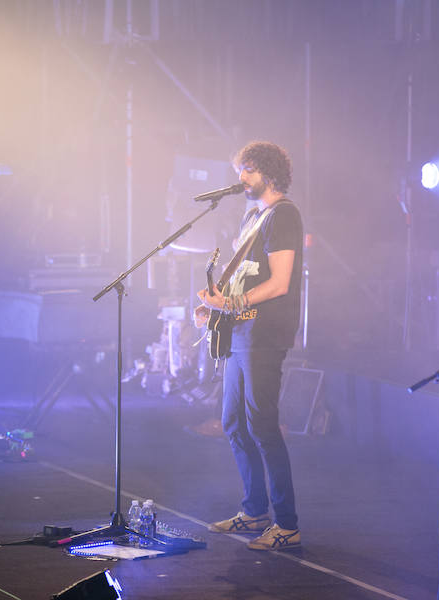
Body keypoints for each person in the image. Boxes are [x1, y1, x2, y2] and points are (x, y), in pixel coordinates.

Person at [194, 141, 303, 551]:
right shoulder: (252, 217)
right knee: (234, 423)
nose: (241, 178)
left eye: (248, 170)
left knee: (262, 426)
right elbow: (242, 276)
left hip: (265, 334)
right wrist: (212, 304)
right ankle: (254, 512)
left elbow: (280, 282)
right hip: (240, 332)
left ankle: (287, 523)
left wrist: (233, 303)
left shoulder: (284, 215)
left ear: (269, 174)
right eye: (241, 169)